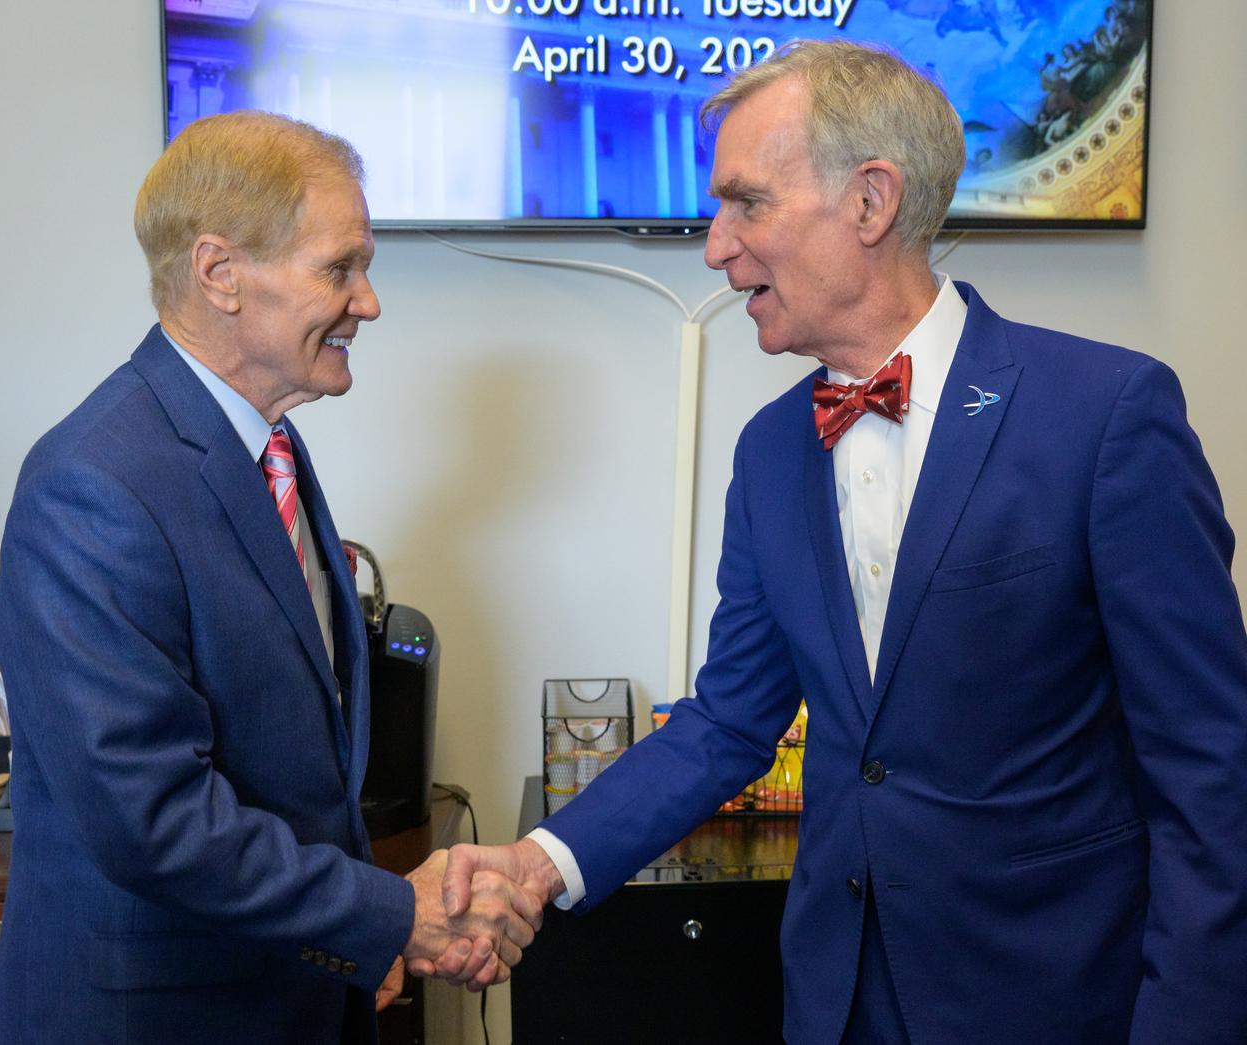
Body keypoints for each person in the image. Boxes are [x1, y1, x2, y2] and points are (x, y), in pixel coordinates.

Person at [437, 40, 1247, 1044]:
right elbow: (728, 722)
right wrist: (536, 861)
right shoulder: (771, 450)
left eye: (745, 203)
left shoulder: (1105, 415)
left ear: (869, 203)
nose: (714, 246)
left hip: (1052, 1000)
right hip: (836, 1001)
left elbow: (1208, 768)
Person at [0, 111, 540, 1044]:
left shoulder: (265, 446)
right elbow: (154, 819)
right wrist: (390, 917)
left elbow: (297, 771)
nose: (367, 302)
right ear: (219, 273)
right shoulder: (92, 482)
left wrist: (345, 950)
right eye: (340, 268)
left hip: (286, 993)